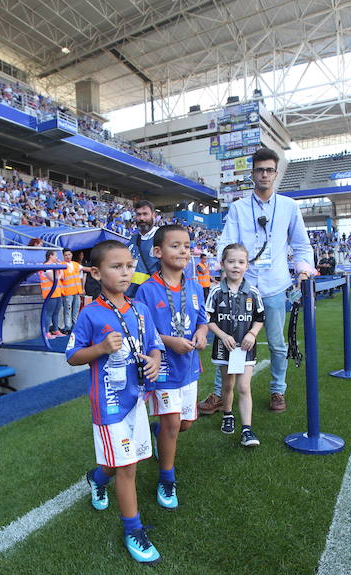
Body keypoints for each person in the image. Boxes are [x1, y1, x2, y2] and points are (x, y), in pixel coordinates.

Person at [65, 239, 164, 565]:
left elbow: (153, 345)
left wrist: (153, 360)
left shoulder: (140, 309)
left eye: (129, 266)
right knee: (127, 467)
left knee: (119, 462)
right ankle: (132, 529)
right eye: (116, 267)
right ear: (96, 271)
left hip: (138, 399)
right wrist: (101, 349)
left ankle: (96, 478)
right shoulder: (90, 314)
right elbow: (73, 356)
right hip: (109, 404)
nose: (124, 273)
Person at [200, 147, 315, 415]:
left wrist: (303, 270)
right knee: (228, 341)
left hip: (275, 287)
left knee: (276, 343)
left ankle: (278, 390)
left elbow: (301, 245)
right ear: (252, 173)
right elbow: (226, 242)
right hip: (241, 288)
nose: (264, 174)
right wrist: (225, 273)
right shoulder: (239, 207)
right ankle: (220, 394)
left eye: (269, 170)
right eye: (259, 170)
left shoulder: (288, 206)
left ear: (276, 174)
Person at [134, 225, 208, 509]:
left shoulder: (194, 286)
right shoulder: (147, 290)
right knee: (172, 424)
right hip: (163, 368)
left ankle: (160, 433)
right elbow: (142, 330)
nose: (183, 251)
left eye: (187, 246)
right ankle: (167, 478)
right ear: (158, 251)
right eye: (175, 245)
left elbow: (202, 320)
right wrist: (169, 342)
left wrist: (201, 334)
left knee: (186, 423)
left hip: (188, 366)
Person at [205, 244, 265, 446]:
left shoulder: (253, 292)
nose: (236, 266)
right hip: (225, 347)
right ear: (222, 264)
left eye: (241, 262)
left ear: (247, 266)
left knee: (244, 386)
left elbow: (260, 318)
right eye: (231, 262)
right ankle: (228, 415)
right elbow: (209, 319)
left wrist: (252, 333)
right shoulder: (215, 292)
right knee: (228, 384)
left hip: (245, 348)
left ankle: (247, 430)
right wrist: (222, 335)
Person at [59, 249, 89, 334]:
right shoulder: (62, 265)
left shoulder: (76, 264)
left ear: (72, 255)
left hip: (77, 291)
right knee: (68, 310)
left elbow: (85, 268)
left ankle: (75, 326)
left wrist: (96, 269)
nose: (68, 256)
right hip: (68, 292)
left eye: (69, 254)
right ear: (63, 256)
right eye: (66, 255)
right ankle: (68, 327)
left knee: (76, 310)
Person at [40, 250, 65, 338]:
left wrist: (60, 269)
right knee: (49, 313)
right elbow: (54, 279)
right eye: (55, 256)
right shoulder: (46, 266)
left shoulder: (54, 266)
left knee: (56, 313)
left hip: (57, 292)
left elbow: (62, 277)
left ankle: (56, 330)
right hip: (49, 293)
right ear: (50, 256)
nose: (57, 258)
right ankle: (46, 332)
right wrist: (60, 269)